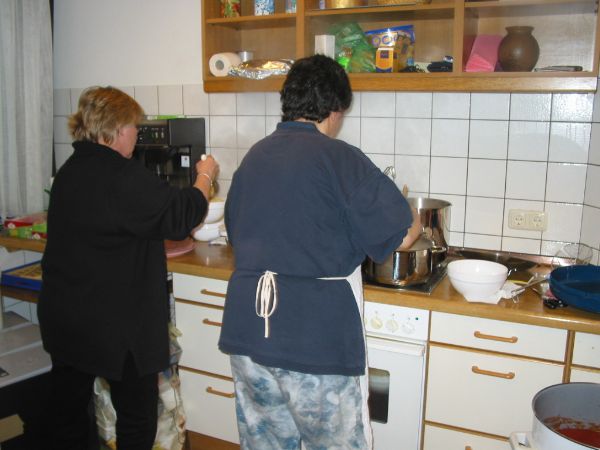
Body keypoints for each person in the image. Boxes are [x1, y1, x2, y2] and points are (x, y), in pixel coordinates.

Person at [219, 54, 421, 450]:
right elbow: (400, 236)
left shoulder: (254, 156)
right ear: (336, 109)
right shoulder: (339, 157)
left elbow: (237, 232)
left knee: (266, 444)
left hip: (250, 334)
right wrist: (412, 215)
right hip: (314, 340)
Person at [38, 86, 218, 450]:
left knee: (69, 413)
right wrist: (205, 176)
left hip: (67, 318)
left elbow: (119, 224)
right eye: (135, 126)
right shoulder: (121, 175)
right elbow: (180, 217)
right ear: (119, 128)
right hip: (116, 326)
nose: (137, 134)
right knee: (136, 418)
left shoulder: (71, 170)